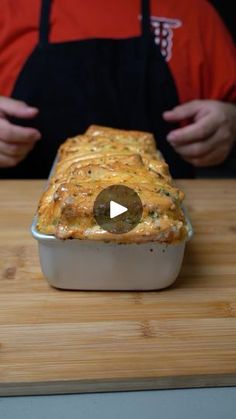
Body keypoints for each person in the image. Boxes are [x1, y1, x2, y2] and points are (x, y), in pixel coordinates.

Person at [0, 0, 235, 179]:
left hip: (160, 216)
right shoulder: (8, 9)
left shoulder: (192, 10)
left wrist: (231, 122)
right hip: (21, 221)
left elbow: (231, 112)